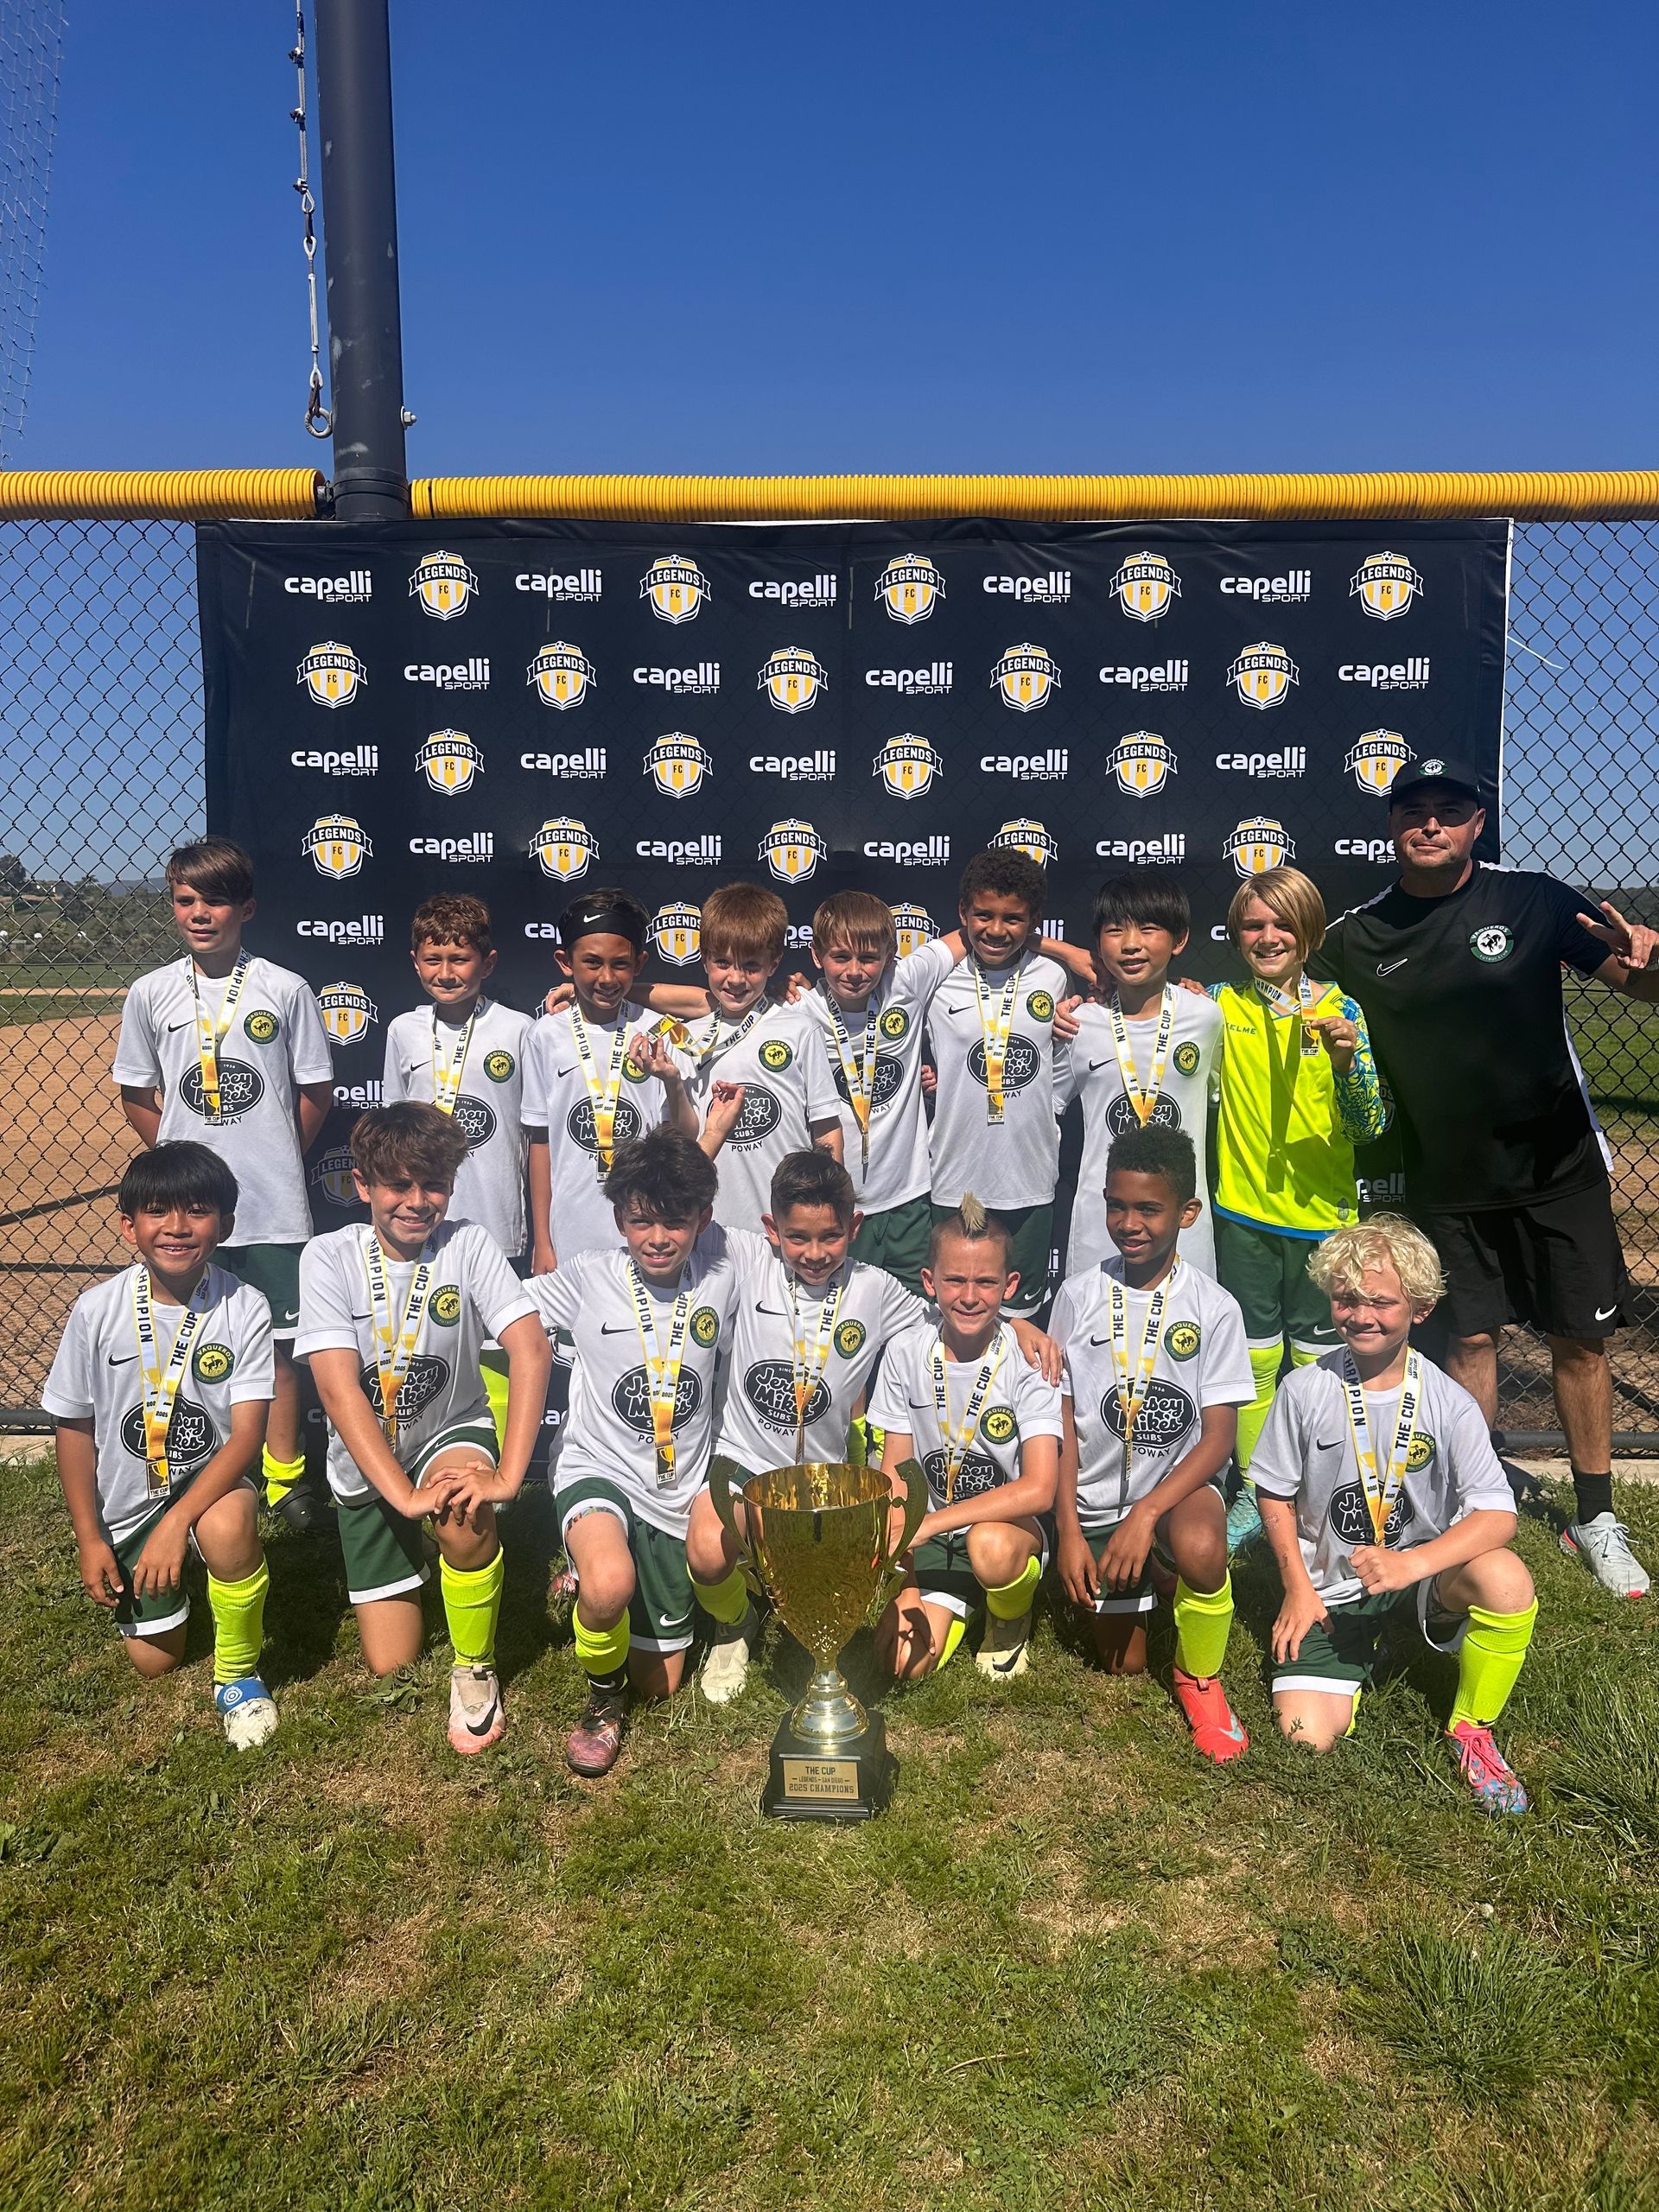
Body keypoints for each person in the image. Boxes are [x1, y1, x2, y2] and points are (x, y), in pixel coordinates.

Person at [1308, 756, 1659, 1597]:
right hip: (1442, 1182)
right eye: (1414, 810)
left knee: (1580, 1340)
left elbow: (1640, 988)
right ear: (1393, 826)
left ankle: (1594, 1515)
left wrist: (1650, 959)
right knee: (1469, 1341)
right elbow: (1281, 992)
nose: (1430, 823)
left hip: (1556, 1169)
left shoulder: (1534, 899)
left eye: (1449, 809)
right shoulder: (1356, 935)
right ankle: (1478, 1503)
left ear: (1476, 823)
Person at [682, 1148, 1063, 1703]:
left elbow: (957, 1307)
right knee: (706, 1544)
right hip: (749, 1467)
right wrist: (713, 1132)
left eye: (831, 1237)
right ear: (771, 1229)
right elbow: (683, 1204)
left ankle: (1005, 1612)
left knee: (903, 1654)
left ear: (854, 1227)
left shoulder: (877, 1291)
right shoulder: (745, 1256)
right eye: (798, 1237)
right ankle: (734, 1623)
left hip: (826, 1488)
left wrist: (1019, 1324)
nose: (815, 1253)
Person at [1251, 1215, 1537, 1815]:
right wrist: (1297, 1588)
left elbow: (1497, 1515)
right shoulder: (1303, 1390)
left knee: (1506, 1579)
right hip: (1330, 1589)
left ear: (1421, 1309)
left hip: (1422, 1580)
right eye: (1347, 1299)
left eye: (1381, 1302)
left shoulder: (1450, 1403)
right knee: (1304, 1737)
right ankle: (1365, 1657)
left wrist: (1413, 1565)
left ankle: (1472, 1729)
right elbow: (1273, 1493)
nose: (1361, 1316)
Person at [294, 1103, 550, 1755]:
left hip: (447, 1430)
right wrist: (404, 1497)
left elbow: (531, 1348)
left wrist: (509, 1476)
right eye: (398, 1185)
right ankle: (420, 1549)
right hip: (368, 1463)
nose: (416, 1201)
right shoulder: (328, 1256)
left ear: (452, 1186)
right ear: (362, 1185)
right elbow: (337, 1388)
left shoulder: (468, 1244)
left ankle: (474, 1668)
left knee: (464, 1509)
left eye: (433, 1185)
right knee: (392, 1664)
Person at [113, 836, 334, 1535]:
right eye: (186, 900)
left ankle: (285, 1476)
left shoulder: (284, 988)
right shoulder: (150, 992)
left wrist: (275, 1156)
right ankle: (204, 1468)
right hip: (189, 1210)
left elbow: (315, 1091)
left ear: (247, 908)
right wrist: (185, 1172)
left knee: (277, 1345)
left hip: (271, 1206)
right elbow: (137, 1092)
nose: (199, 913)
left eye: (214, 900)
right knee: (188, 1337)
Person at [41, 1142, 280, 1748]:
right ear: (129, 1226)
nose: (177, 1227)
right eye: (157, 1211)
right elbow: (73, 1428)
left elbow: (247, 1435)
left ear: (225, 1224)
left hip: (210, 1484)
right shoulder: (95, 1311)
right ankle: (181, 1570)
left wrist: (177, 1523)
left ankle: (238, 1674)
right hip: (131, 1503)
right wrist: (90, 1538)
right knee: (156, 1663)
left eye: (197, 1211)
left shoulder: (244, 1306)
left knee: (228, 1525)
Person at [527, 1116, 743, 1776]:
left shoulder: (723, 1273)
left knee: (664, 1685)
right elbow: (500, 1311)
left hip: (678, 1489)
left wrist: (1013, 1331)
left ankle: (705, 1610)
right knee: (610, 1584)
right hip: (598, 1467)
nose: (657, 1238)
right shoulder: (588, 1277)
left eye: (674, 1222)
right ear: (620, 1218)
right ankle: (602, 1696)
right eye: (641, 1221)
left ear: (702, 1220)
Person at [1051, 1125, 1255, 1763]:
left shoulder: (1215, 1308)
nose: (1129, 1223)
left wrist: (1146, 1513)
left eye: (1149, 1209)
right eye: (1117, 1206)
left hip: (1171, 1497)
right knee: (1124, 1665)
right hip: (1093, 1505)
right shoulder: (1078, 1296)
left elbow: (1219, 1438)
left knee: (1202, 1545)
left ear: (1187, 1213)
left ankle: (1201, 1679)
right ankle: (1148, 1571)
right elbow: (1061, 1425)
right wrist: (1068, 1531)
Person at [1206, 866, 1387, 1552]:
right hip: (1244, 1216)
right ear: (1236, 935)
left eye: (1284, 924)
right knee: (1255, 1363)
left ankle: (1313, 1482)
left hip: (1323, 1223)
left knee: (1316, 1365)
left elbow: (1369, 1126)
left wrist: (1346, 1065)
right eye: (1254, 925)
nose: (1268, 937)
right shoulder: (1219, 1005)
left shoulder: (1343, 1010)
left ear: (1310, 933)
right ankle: (1255, 1492)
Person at [871, 1197, 1062, 1682]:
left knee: (989, 1546)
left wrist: (931, 1524)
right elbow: (895, 1476)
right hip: (932, 1537)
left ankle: (1009, 1612)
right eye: (955, 1280)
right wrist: (906, 1583)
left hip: (1006, 1531)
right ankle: (965, 1602)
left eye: (986, 1282)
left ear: (1010, 1286)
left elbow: (1041, 1489)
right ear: (930, 1281)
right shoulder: (905, 1352)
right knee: (901, 1665)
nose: (970, 1297)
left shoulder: (1030, 1360)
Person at [383, 893, 534, 1446]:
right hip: (423, 1221)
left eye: (459, 959)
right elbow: (392, 1132)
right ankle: (427, 1438)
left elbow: (533, 1130)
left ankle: (496, 1450)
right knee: (431, 1333)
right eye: (433, 959)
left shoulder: (520, 1030)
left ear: (487, 963)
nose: (446, 973)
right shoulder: (403, 1030)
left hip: (497, 1216)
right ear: (415, 962)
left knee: (496, 1342)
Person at [924, 849, 1085, 1318]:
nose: (996, 930)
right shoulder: (937, 978)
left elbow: (1062, 1063)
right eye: (983, 915)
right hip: (954, 1177)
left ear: (1033, 921)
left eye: (1013, 918)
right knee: (958, 1314)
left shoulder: (1053, 976)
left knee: (1020, 1320)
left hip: (1029, 1177)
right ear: (963, 913)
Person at [626, 881, 845, 1226]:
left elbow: (827, 1126)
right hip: (712, 1222)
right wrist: (672, 1082)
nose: (736, 978)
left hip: (788, 1224)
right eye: (723, 962)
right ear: (704, 960)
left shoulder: (800, 1028)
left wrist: (831, 1208)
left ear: (774, 963)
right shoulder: (685, 1037)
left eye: (751, 965)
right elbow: (685, 1137)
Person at [1053, 872, 1223, 1277]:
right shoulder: (1077, 1024)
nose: (1131, 944)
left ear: (1179, 940)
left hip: (1184, 1224)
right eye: (1115, 930)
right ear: (1098, 943)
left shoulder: (1206, 1017)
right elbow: (1042, 1109)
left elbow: (1223, 1095)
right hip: (1101, 1222)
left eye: (1148, 929)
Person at [521, 888, 697, 1273]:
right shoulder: (544, 1035)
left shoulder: (659, 1030)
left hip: (647, 1229)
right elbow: (540, 1142)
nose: (606, 977)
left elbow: (685, 1136)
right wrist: (543, 1240)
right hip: (570, 1229)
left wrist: (672, 1082)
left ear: (640, 963)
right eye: (592, 963)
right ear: (565, 963)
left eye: (620, 965)